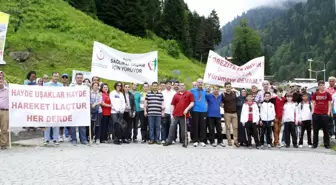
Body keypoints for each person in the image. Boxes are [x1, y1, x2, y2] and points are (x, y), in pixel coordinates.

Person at [163, 82, 194, 147]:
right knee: (172, 128)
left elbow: (192, 103)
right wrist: (171, 114)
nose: (181, 87)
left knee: (183, 129)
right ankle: (169, 141)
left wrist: (187, 109)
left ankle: (184, 142)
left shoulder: (189, 94)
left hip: (184, 115)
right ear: (178, 87)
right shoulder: (176, 95)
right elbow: (172, 105)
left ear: (185, 86)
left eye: (183, 85)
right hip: (175, 115)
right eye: (180, 86)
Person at [43, 72, 63, 146]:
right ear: (52, 76)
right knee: (47, 124)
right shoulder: (46, 85)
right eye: (55, 76)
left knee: (56, 124)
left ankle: (55, 139)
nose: (56, 77)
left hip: (57, 107)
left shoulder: (61, 85)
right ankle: (46, 139)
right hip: (48, 107)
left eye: (57, 76)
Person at [311, 80, 332, 149]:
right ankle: (315, 144)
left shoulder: (328, 94)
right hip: (316, 114)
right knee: (315, 130)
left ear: (324, 86)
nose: (321, 86)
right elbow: (313, 103)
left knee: (326, 131)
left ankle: (327, 144)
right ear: (318, 86)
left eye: (323, 85)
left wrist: (328, 113)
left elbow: (330, 104)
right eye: (320, 85)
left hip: (325, 114)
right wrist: (313, 112)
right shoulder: (315, 94)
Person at [70, 73, 88, 145]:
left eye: (81, 78)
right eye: (78, 78)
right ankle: (74, 139)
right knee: (73, 125)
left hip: (82, 109)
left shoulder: (86, 87)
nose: (79, 79)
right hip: (74, 108)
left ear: (82, 78)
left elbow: (87, 98)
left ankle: (83, 139)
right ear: (75, 79)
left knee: (82, 124)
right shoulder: (72, 87)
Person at [190, 78, 207, 147]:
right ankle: (195, 140)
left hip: (203, 110)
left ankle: (202, 140)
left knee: (203, 126)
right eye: (199, 82)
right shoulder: (192, 90)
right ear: (196, 83)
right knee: (195, 126)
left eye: (201, 82)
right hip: (195, 110)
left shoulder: (205, 91)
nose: (200, 83)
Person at [222, 82, 239, 147]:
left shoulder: (234, 93)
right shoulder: (223, 95)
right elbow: (220, 103)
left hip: (234, 113)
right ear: (225, 87)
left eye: (229, 86)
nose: (228, 88)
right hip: (227, 113)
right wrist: (224, 107)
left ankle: (235, 141)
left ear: (231, 87)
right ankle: (229, 141)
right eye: (227, 87)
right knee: (228, 128)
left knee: (235, 128)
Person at [0, 72, 9, 150]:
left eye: (2, 77)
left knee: (4, 129)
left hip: (4, 111)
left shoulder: (8, 90)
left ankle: (3, 144)